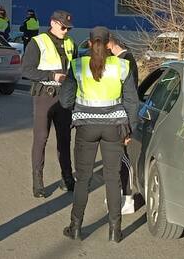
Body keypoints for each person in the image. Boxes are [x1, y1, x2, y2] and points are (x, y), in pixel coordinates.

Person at [58, 26, 139, 243]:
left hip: (86, 128)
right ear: (108, 42)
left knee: (83, 178)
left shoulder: (77, 65)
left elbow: (65, 101)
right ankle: (115, 230)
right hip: (114, 127)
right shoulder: (123, 66)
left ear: (90, 43)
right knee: (113, 178)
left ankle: (75, 227)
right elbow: (132, 101)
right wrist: (130, 128)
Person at [21, 9, 77, 197]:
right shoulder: (37, 42)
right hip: (45, 95)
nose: (66, 31)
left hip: (65, 96)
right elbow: (27, 70)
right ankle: (38, 183)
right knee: (41, 138)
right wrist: (51, 76)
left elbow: (75, 69)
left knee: (65, 139)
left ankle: (67, 178)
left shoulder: (71, 43)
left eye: (68, 28)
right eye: (63, 27)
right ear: (53, 23)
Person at [107, 32, 140, 210]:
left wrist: (129, 126)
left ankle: (127, 198)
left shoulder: (125, 60)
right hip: (118, 116)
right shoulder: (126, 58)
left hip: (123, 118)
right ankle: (120, 195)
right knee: (116, 159)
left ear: (109, 45)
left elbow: (130, 96)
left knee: (123, 158)